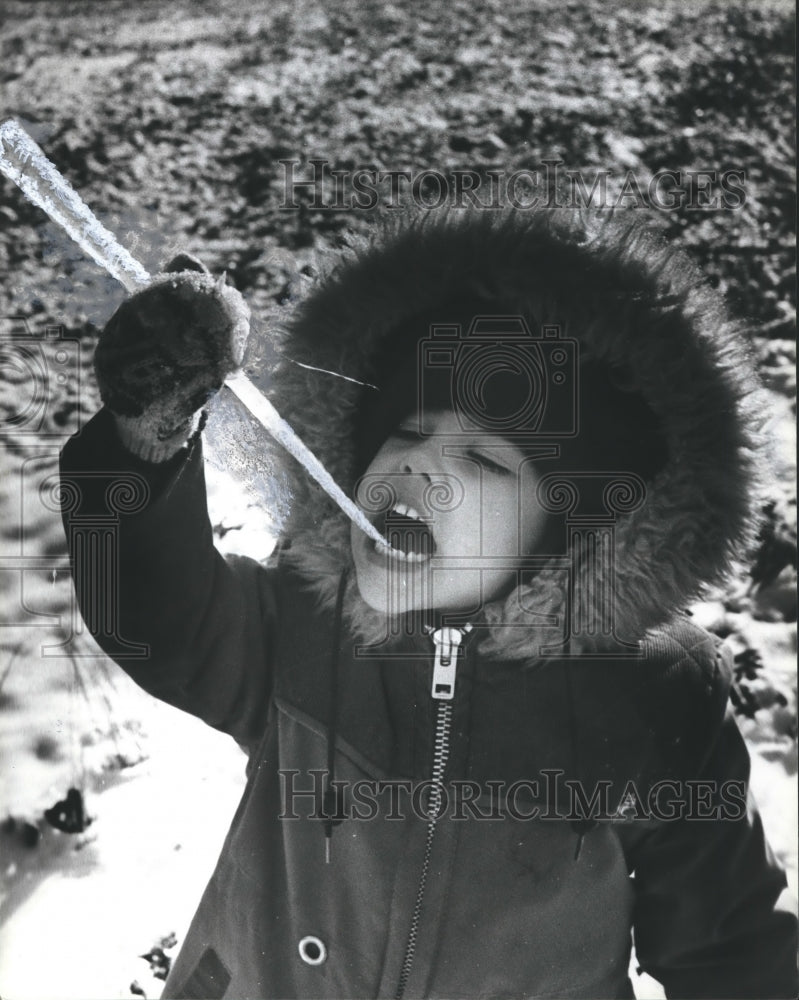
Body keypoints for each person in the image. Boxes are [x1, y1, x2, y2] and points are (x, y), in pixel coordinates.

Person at [59, 207, 798, 999]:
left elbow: (728, 948)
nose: (420, 471)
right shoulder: (311, 618)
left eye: (483, 458)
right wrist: (143, 450)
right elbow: (158, 619)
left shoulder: (653, 695)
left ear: (572, 530)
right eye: (406, 432)